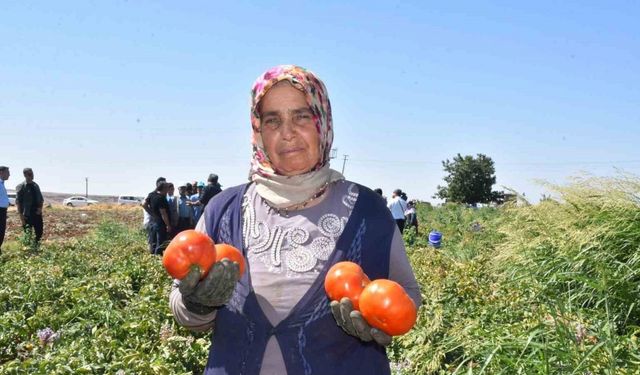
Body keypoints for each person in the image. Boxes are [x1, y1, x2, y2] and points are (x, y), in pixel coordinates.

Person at [169, 65, 421, 375]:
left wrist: (382, 322)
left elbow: (408, 292)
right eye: (273, 120)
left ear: (322, 123)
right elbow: (182, 309)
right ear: (258, 131)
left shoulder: (368, 210)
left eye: (301, 116)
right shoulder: (224, 209)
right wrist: (197, 304)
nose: (287, 132)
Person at [15, 168, 44, 244]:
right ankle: (27, 248)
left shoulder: (35, 185)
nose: (32, 176)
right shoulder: (21, 186)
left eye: (32, 174)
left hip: (37, 213)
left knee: (39, 232)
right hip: (27, 214)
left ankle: (36, 246)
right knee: (28, 233)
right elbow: (18, 202)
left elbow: (41, 199)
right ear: (25, 175)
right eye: (30, 174)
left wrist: (40, 209)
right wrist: (21, 215)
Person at [143, 181, 172, 255]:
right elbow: (163, 213)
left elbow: (144, 204)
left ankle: (152, 258)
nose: (168, 190)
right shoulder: (161, 198)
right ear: (164, 188)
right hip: (160, 224)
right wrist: (168, 225)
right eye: (167, 188)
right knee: (160, 244)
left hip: (153, 222)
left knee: (153, 242)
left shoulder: (151, 195)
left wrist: (152, 213)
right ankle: (157, 258)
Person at [0, 166, 10, 254]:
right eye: (7, 172)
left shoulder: (2, 184)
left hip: (2, 211)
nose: (9, 175)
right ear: (1, 172)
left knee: (1, 232)